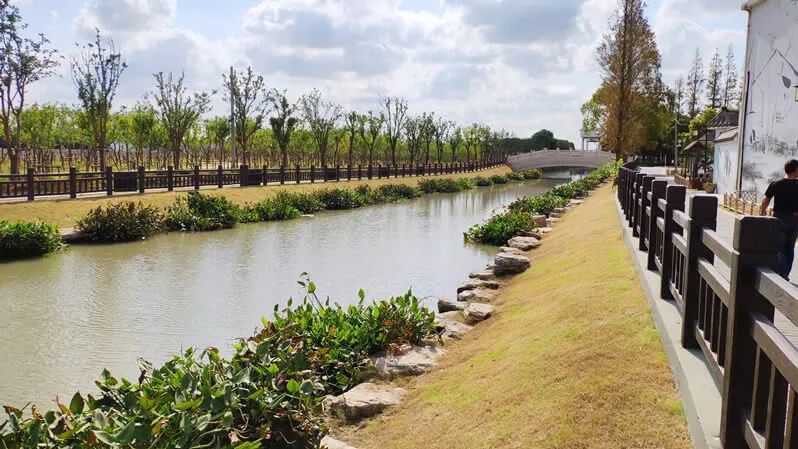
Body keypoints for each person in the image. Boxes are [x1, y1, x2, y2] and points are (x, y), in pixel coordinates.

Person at [760, 159, 798, 280]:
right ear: (796, 170)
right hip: (794, 220)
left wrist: (762, 211)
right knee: (790, 247)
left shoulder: (776, 184)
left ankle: (782, 272)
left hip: (778, 218)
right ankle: (785, 273)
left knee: (779, 247)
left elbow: (766, 200)